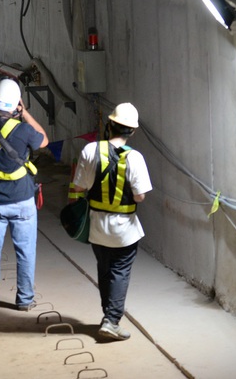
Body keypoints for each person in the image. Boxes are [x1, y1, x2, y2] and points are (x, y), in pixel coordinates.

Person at [71, 102, 151, 340]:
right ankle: (112, 320)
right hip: (125, 229)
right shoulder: (135, 158)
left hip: (97, 226)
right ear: (132, 131)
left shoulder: (90, 150)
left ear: (109, 126)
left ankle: (108, 315)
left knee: (105, 270)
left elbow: (79, 187)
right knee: (120, 271)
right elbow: (140, 196)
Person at [0, 78, 48, 314]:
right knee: (25, 251)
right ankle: (24, 300)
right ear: (16, 104)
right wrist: (25, 114)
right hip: (22, 200)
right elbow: (43, 139)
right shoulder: (23, 129)